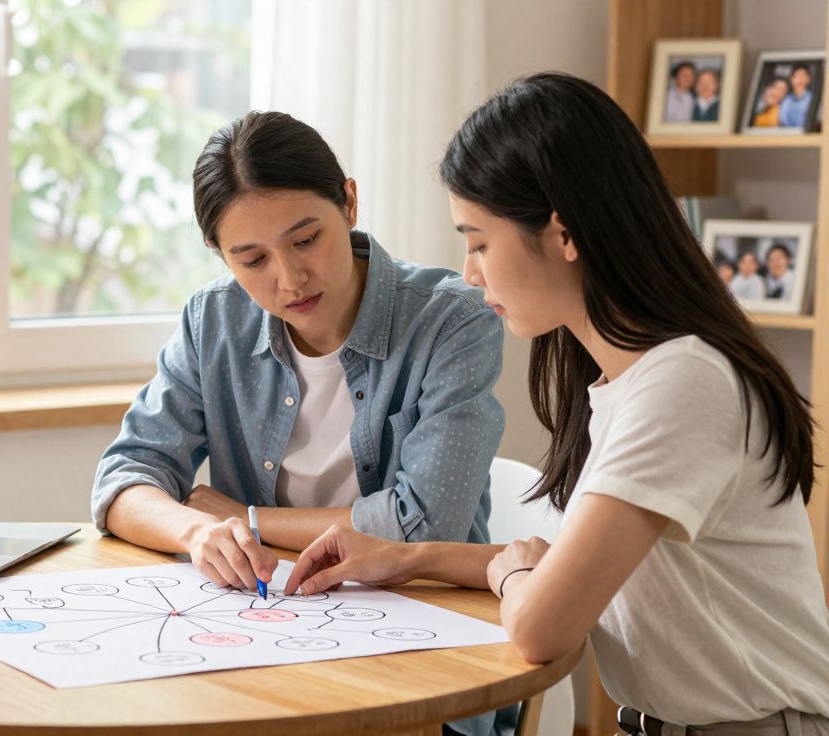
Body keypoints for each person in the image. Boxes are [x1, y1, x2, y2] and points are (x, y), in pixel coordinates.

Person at [285, 73, 829, 735]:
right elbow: (557, 570)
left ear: (563, 233)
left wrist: (516, 581)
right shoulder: (625, 379)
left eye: (480, 242)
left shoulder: (682, 383)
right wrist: (407, 557)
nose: (470, 272)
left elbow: (542, 622)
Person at [92, 109, 508, 736]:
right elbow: (123, 480)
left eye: (306, 238)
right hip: (266, 654)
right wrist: (196, 534)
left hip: (424, 668)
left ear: (349, 202)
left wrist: (244, 519)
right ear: (218, 253)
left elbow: (425, 523)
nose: (289, 279)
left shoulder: (452, 321)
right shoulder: (214, 322)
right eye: (251, 258)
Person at [779, 64, 815, 128]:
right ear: (791, 79)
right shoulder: (786, 100)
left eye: (803, 76)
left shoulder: (813, 99)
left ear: (808, 79)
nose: (800, 80)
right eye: (796, 76)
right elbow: (783, 122)